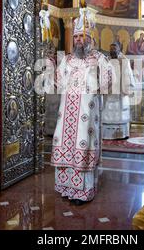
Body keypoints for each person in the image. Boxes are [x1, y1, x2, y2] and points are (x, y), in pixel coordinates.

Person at [51, 12, 112, 205]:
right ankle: (65, 187)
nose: (78, 40)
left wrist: (100, 76)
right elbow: (58, 83)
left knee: (83, 144)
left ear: (90, 38)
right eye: (76, 36)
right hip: (66, 113)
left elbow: (107, 84)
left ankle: (82, 191)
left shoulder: (100, 59)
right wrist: (52, 65)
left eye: (82, 36)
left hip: (87, 113)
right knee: (64, 143)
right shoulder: (67, 60)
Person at [102, 42, 135, 140]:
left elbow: (128, 74)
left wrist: (127, 88)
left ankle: (120, 134)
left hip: (120, 91)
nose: (112, 51)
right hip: (109, 91)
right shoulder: (106, 60)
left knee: (120, 112)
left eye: (114, 49)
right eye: (111, 49)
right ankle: (106, 134)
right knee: (107, 110)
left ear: (119, 49)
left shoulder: (124, 60)